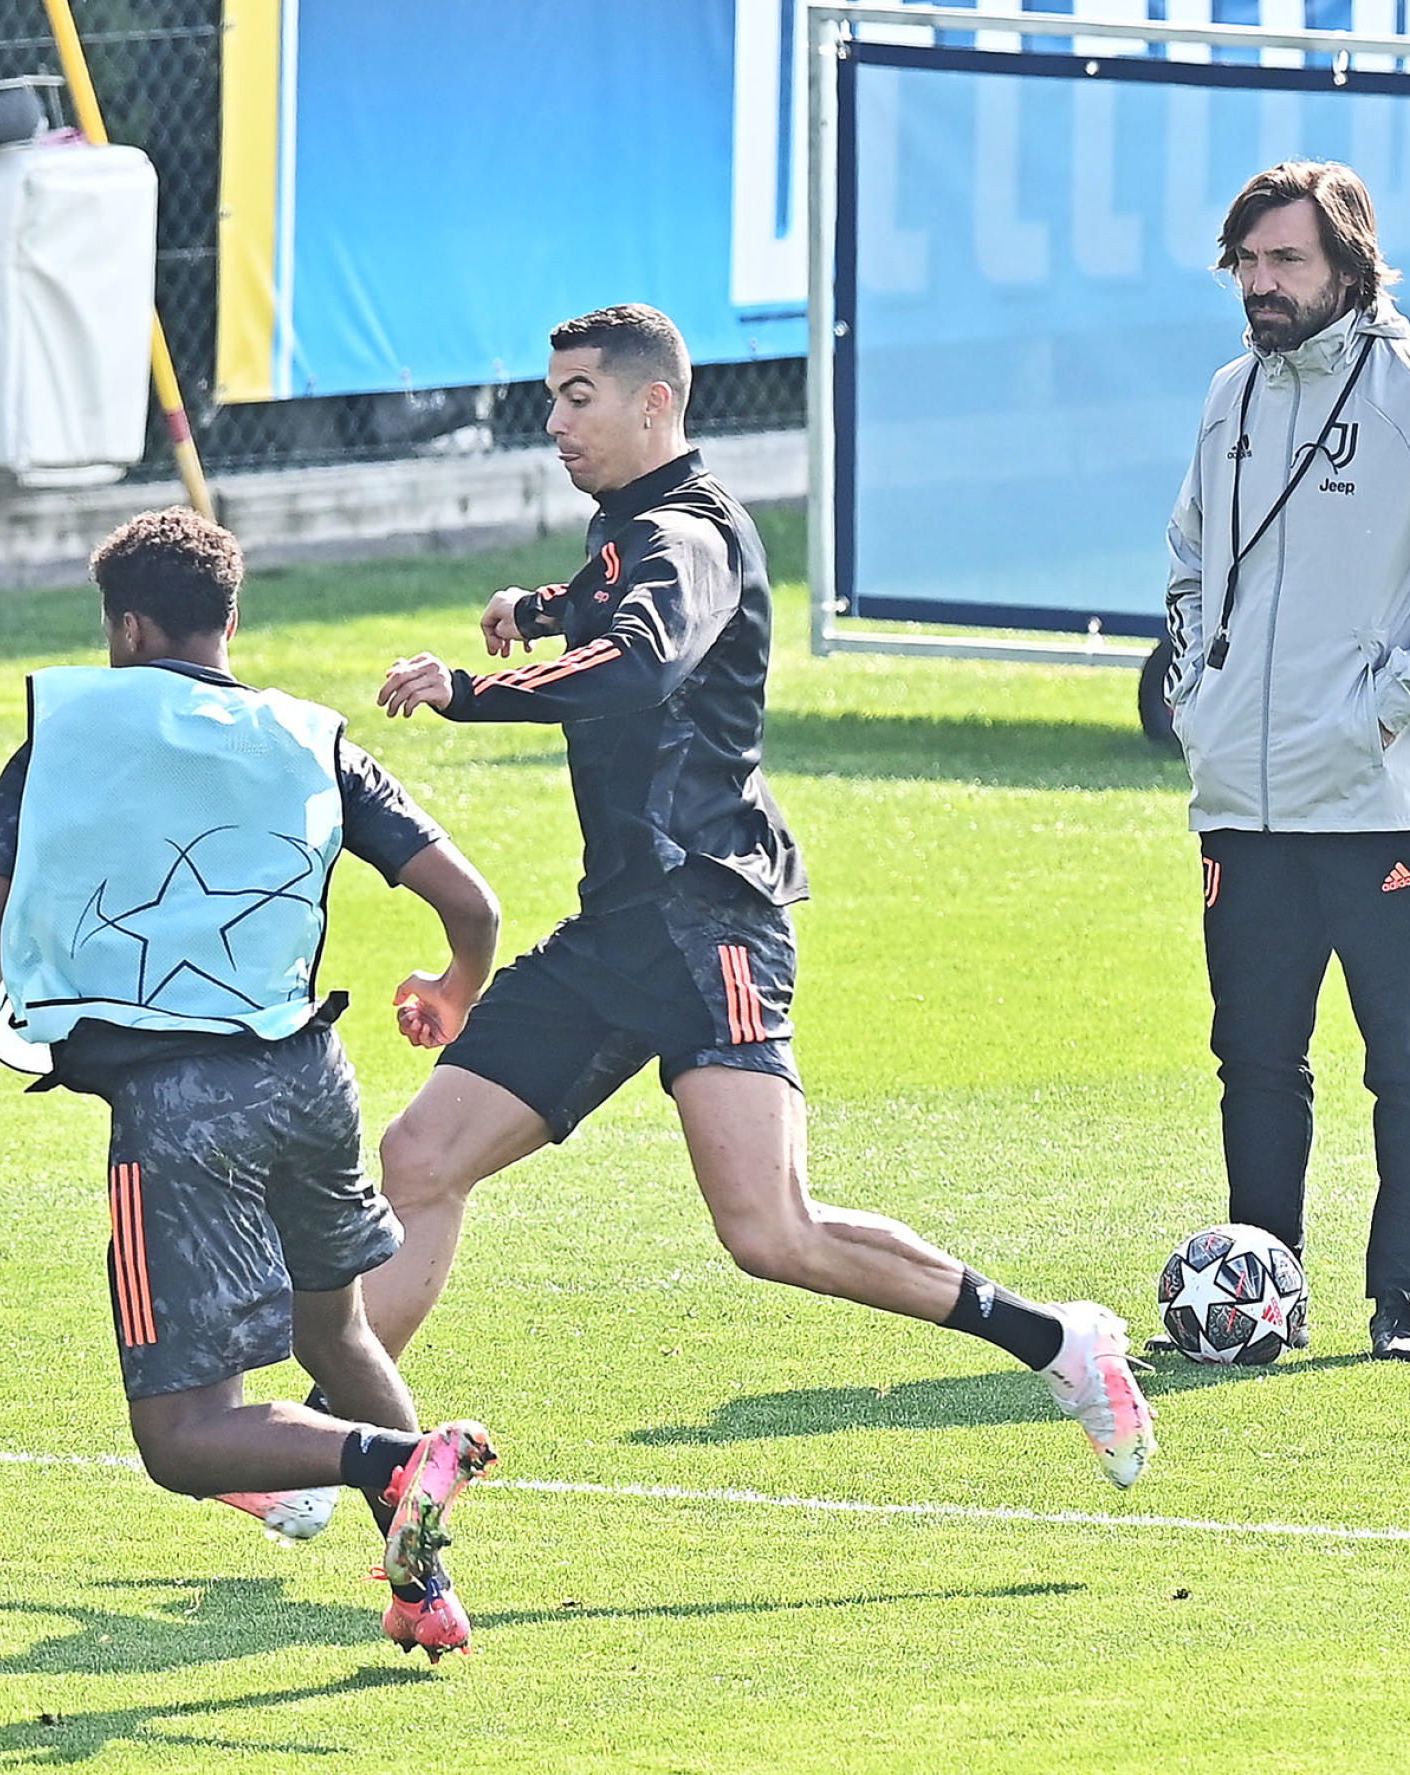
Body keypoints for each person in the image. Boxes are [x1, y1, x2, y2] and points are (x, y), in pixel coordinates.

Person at [372, 304, 1153, 1485]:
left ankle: (1056, 1338)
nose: (555, 421)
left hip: (710, 919)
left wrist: (477, 686)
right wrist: (539, 608)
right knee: (421, 1156)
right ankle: (346, 1449)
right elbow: (612, 601)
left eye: (579, 396)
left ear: (656, 403)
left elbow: (645, 659)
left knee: (769, 1231)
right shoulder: (633, 529)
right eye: (552, 395)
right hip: (619, 928)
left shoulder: (686, 532)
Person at [0, 508, 509, 1659]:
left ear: (128, 627)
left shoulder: (67, 740)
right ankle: (421, 1588)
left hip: (181, 1107)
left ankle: (393, 1459)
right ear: (231, 618)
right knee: (333, 1337)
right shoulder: (310, 739)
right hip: (311, 1076)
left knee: (185, 1438)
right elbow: (474, 908)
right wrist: (450, 992)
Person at [1159, 160, 1410, 1361]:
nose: (1261, 287)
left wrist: (1390, 705)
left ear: (1349, 269)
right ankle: (1258, 1294)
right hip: (1240, 801)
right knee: (1254, 1059)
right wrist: (1197, 697)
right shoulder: (1229, 394)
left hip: (1377, 797)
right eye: (1249, 263)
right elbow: (1185, 566)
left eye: (1287, 263)